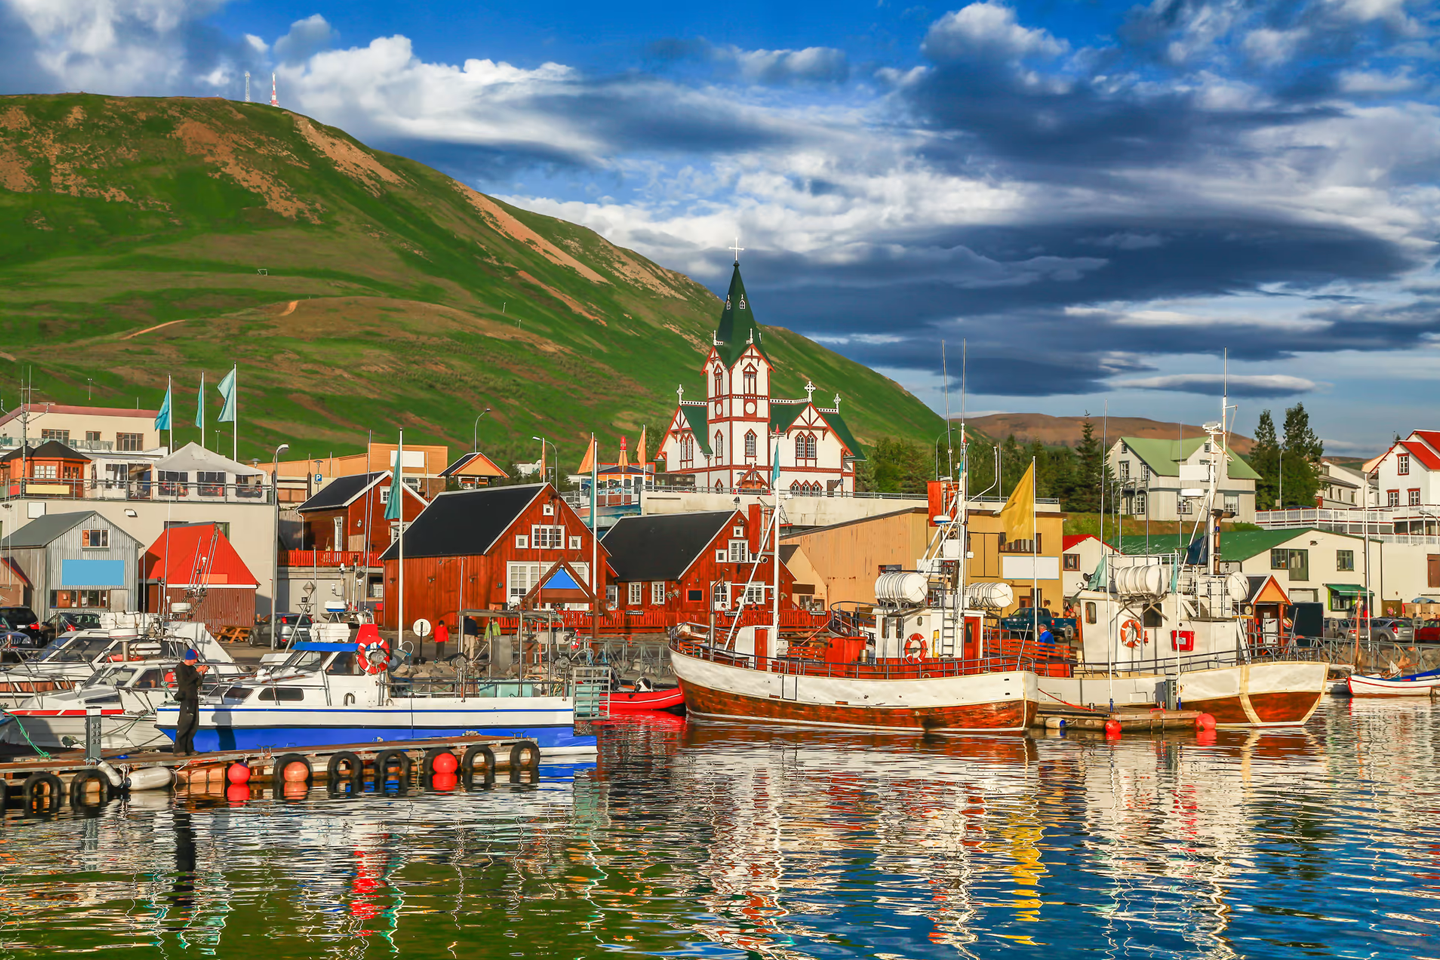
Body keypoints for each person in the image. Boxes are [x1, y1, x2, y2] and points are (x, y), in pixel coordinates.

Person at [173, 649, 209, 756]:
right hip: (186, 698)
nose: (195, 661)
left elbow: (196, 683)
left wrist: (202, 674)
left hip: (193, 697)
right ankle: (179, 749)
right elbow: (184, 683)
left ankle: (189, 748)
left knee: (193, 724)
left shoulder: (192, 669)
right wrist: (196, 672)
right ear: (190, 658)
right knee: (184, 723)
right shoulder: (180, 668)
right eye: (194, 659)